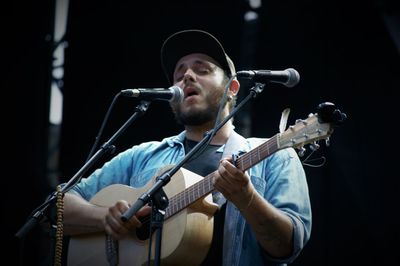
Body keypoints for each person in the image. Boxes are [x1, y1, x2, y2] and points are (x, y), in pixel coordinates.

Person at [62, 29, 312, 266]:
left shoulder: (273, 155)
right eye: (179, 74)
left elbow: (287, 247)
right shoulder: (142, 156)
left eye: (202, 69)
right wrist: (105, 217)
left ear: (233, 88)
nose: (187, 76)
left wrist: (246, 198)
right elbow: (59, 205)